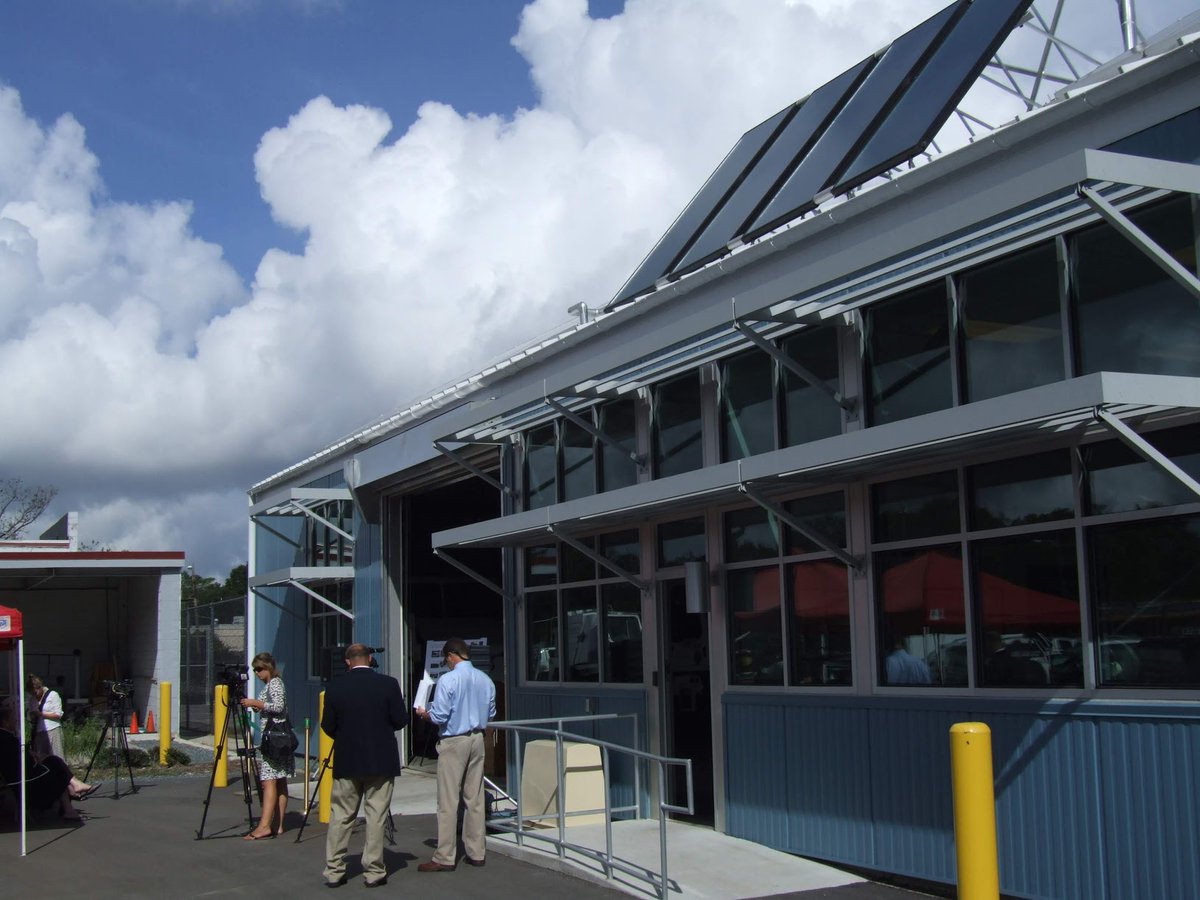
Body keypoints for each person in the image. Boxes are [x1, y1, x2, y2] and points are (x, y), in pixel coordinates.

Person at [321, 643, 409, 888]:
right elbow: (400, 720)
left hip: (347, 759)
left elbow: (327, 725)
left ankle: (334, 870)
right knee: (376, 816)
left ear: (347, 661)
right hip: (380, 759)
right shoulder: (388, 684)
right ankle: (374, 870)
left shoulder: (335, 687)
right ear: (370, 659)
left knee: (341, 816)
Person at [414, 638, 497, 872]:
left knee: (448, 799)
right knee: (475, 797)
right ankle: (476, 851)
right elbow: (491, 712)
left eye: (446, 659)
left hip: (454, 740)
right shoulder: (485, 679)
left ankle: (445, 856)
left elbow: (440, 716)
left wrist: (425, 714)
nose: (447, 663)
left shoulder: (448, 680)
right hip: (477, 738)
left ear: (451, 655)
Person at [0, 698, 84, 822]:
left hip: (23, 777)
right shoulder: (6, 739)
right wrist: (34, 758)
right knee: (56, 766)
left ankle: (72, 795)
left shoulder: (7, 737)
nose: (16, 722)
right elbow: (20, 762)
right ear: (5, 722)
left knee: (54, 762)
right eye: (13, 719)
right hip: (26, 783)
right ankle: (72, 791)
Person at [239, 651, 294, 840]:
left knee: (269, 781)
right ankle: (278, 824)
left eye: (259, 669)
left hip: (274, 740)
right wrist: (260, 706)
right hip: (279, 738)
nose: (257, 673)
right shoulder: (274, 684)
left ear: (268, 667)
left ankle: (264, 826)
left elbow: (278, 706)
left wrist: (255, 703)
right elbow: (274, 707)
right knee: (280, 780)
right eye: (255, 670)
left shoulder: (275, 684)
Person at [25, 674, 95, 798]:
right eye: (32, 693)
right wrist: (32, 715)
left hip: (52, 729)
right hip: (39, 732)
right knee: (43, 761)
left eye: (35, 692)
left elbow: (58, 714)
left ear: (40, 688)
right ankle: (63, 789)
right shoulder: (32, 700)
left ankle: (70, 790)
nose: (34, 695)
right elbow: (31, 717)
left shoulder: (52, 695)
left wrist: (40, 714)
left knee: (58, 759)